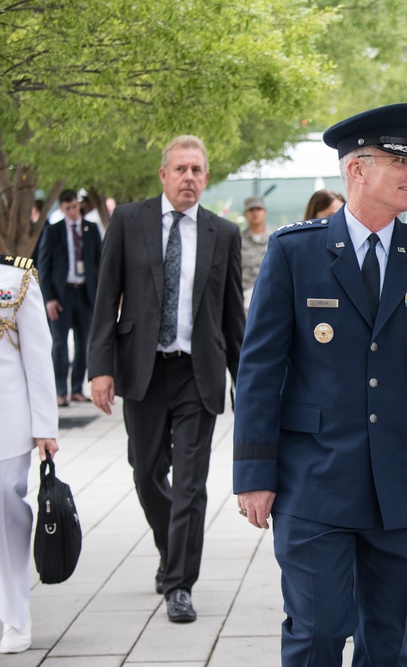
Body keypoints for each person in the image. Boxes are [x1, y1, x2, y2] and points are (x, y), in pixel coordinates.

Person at [233, 103, 407, 666]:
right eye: (401, 160)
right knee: (318, 632)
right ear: (357, 169)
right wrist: (253, 473)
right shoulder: (295, 252)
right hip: (313, 481)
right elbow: (259, 372)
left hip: (404, 486)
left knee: (388, 642)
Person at [88, 135, 245, 623]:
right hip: (143, 368)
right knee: (145, 471)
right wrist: (100, 367)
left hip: (197, 373)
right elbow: (106, 295)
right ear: (163, 175)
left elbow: (232, 316)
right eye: (181, 170)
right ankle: (169, 546)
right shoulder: (129, 222)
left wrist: (248, 383)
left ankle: (180, 583)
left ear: (206, 177)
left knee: (192, 485)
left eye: (198, 170)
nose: (189, 178)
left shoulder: (224, 232)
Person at [0, 255, 59, 654]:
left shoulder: (14, 278)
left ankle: (15, 616)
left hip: (8, 420)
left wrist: (45, 426)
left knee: (6, 516)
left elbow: (37, 354)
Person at [37, 189, 102, 406]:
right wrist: (49, 299)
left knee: (84, 342)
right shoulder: (53, 231)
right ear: (61, 209)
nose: (72, 212)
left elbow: (100, 263)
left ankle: (77, 388)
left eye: (74, 207)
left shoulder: (91, 229)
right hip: (62, 294)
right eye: (67, 209)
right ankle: (61, 390)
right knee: (59, 344)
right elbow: (43, 268)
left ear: (79, 205)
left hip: (85, 293)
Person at [240, 196, 270, 309]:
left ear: (265, 212)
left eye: (258, 209)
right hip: (245, 303)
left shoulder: (274, 239)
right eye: (251, 210)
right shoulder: (238, 240)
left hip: (269, 299)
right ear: (245, 213)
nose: (255, 213)